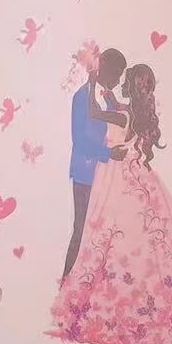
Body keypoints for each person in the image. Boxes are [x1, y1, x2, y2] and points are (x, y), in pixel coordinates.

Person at [50, 63, 172, 344]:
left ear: (132, 86)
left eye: (126, 79)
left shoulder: (122, 114)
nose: (121, 83)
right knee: (125, 235)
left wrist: (91, 81)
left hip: (114, 175)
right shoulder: (131, 113)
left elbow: (94, 113)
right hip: (124, 173)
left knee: (106, 231)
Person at [61, 47, 127, 280]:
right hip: (86, 173)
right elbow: (80, 139)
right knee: (82, 229)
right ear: (104, 67)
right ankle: (67, 281)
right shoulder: (82, 96)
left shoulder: (108, 96)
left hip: (105, 175)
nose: (118, 81)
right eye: (116, 74)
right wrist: (108, 153)